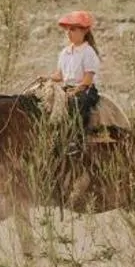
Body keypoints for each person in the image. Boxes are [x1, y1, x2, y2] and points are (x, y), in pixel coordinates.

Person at [38, 9, 103, 158]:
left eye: (73, 29)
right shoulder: (65, 52)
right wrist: (46, 78)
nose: (69, 33)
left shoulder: (88, 52)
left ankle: (76, 140)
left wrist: (76, 90)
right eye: (68, 30)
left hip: (85, 90)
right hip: (67, 88)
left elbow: (87, 79)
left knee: (77, 103)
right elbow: (60, 75)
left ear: (84, 31)